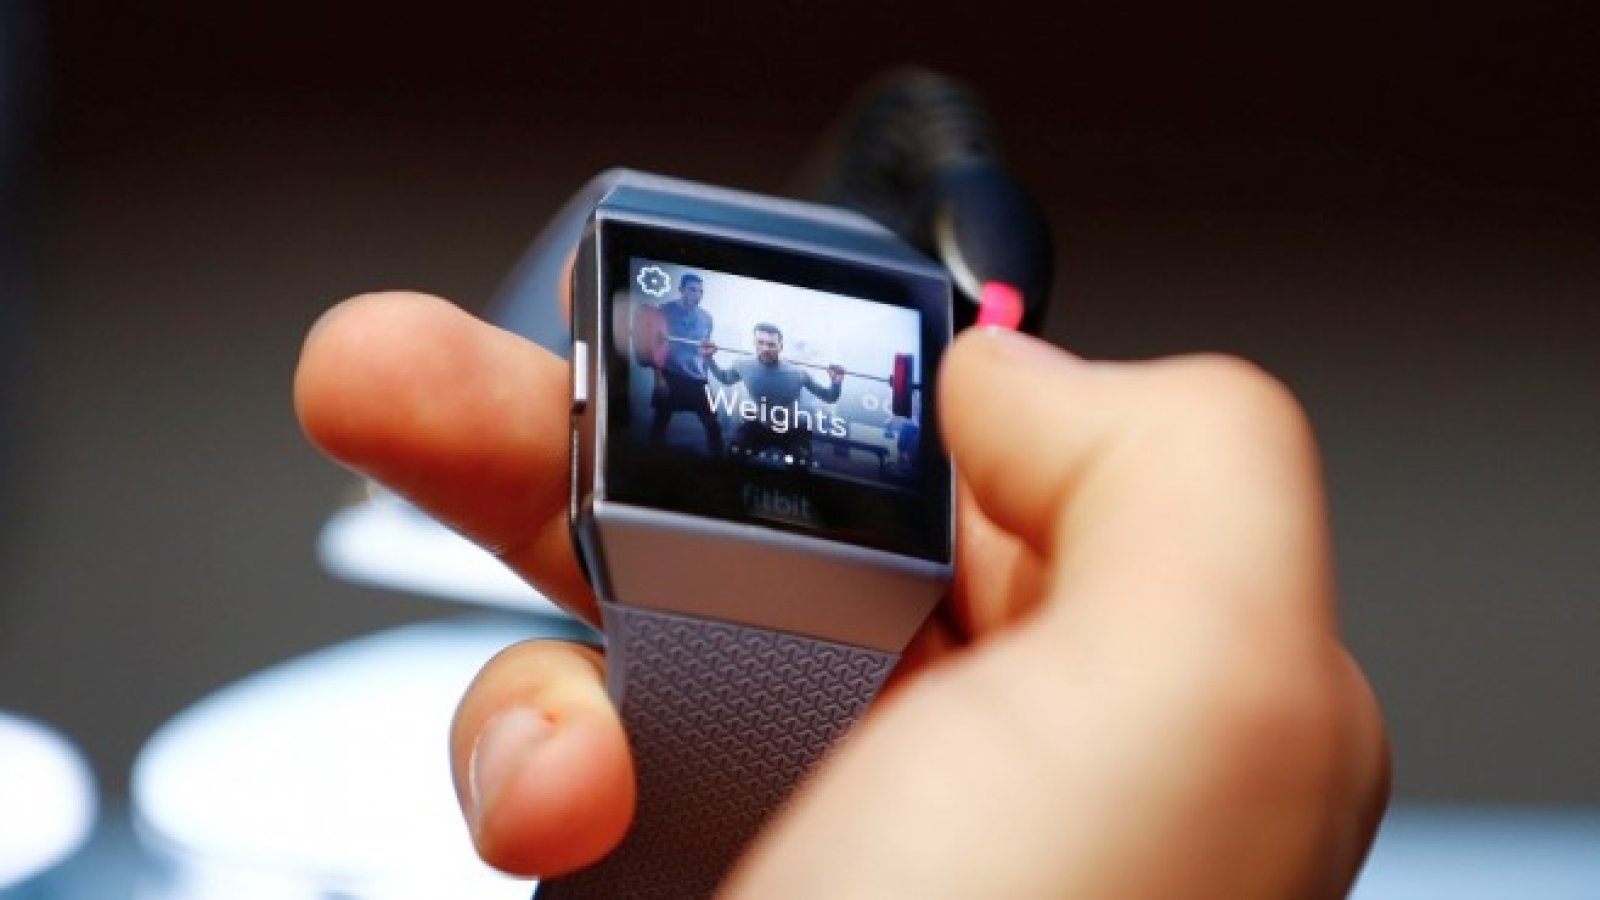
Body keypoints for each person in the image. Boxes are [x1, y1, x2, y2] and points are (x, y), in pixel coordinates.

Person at [295, 291, 1389, 897]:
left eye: (776, 334)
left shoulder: (819, 383)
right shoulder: (730, 369)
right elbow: (715, 391)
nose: (769, 341)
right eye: (764, 332)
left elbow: (827, 389)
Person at [702, 323, 845, 466]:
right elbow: (726, 379)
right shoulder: (742, 364)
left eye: (771, 344)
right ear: (754, 343)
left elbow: (829, 397)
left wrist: (836, 383)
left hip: (791, 430)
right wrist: (708, 358)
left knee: (800, 464)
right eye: (760, 343)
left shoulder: (798, 373)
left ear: (780, 347)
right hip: (760, 426)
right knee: (734, 454)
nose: (765, 349)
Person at [648, 272, 722, 455]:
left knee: (713, 424)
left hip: (697, 378)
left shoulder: (707, 318)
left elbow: (704, 349)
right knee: (660, 422)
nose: (697, 295)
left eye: (700, 291)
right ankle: (651, 461)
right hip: (670, 374)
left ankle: (719, 464)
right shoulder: (664, 311)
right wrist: (658, 379)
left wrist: (709, 356)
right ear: (681, 289)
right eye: (692, 290)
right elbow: (654, 347)